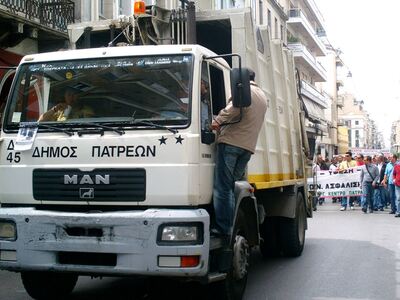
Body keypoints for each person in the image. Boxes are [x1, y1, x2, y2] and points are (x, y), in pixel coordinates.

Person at [211, 69, 267, 236]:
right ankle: (231, 224)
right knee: (231, 186)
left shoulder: (244, 91)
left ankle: (224, 228)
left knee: (223, 188)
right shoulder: (262, 96)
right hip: (247, 147)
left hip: (231, 143)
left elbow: (232, 110)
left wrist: (216, 121)